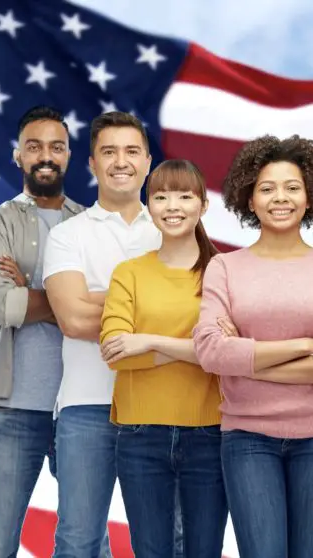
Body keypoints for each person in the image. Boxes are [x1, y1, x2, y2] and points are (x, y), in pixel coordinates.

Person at [192, 134, 313, 558]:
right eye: (266, 189)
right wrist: (307, 344)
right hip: (247, 436)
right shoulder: (224, 266)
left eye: (292, 187)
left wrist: (248, 360)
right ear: (249, 200)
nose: (280, 198)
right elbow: (211, 351)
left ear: (309, 197)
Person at [42, 111, 162, 557]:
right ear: (91, 163)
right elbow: (71, 319)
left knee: (166, 541)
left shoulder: (173, 231)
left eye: (132, 151)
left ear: (148, 161)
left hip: (160, 406)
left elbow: (193, 318)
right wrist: (153, 310)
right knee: (78, 541)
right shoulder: (68, 236)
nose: (120, 161)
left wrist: (101, 297)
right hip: (85, 406)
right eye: (108, 152)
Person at [0, 105, 87, 558]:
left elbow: (114, 307)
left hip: (82, 409)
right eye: (34, 146)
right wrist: (70, 301)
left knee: (87, 542)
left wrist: (32, 290)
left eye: (56, 147)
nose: (45, 156)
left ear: (69, 157)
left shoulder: (90, 225)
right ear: (18, 156)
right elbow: (7, 307)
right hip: (13, 407)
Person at [98, 159, 227, 557]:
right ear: (149, 205)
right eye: (161, 196)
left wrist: (151, 341)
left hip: (211, 432)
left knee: (203, 551)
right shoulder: (129, 273)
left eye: (185, 196)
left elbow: (227, 356)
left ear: (203, 206)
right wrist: (197, 349)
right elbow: (117, 352)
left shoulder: (224, 272)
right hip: (140, 433)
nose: (172, 206)